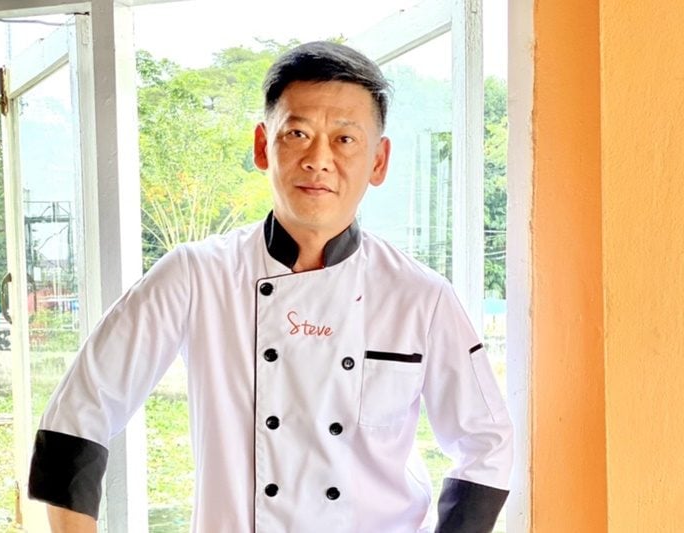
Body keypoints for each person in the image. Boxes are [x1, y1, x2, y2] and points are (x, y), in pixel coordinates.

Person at [28, 41, 513, 533]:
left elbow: (487, 443)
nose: (318, 159)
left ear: (378, 161)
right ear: (263, 146)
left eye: (345, 139)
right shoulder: (197, 275)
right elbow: (78, 412)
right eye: (297, 133)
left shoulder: (420, 296)